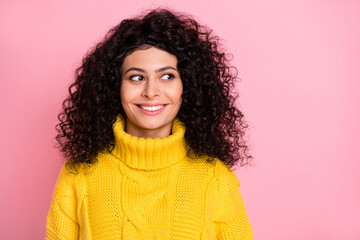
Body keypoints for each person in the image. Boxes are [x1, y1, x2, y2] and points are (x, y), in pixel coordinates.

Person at [46, 8, 253, 240]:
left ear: (188, 85)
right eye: (136, 77)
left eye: (167, 76)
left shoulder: (215, 177)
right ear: (115, 86)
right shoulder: (79, 174)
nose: (151, 92)